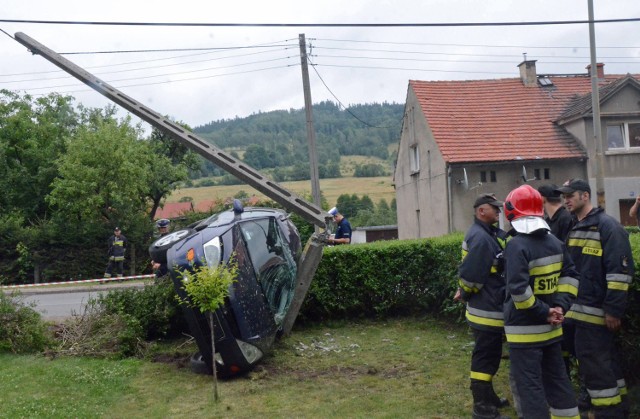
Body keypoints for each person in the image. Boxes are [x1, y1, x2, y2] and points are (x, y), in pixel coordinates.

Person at [556, 179, 635, 418]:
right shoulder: (574, 225)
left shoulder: (607, 227)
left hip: (597, 313)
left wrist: (613, 310)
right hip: (578, 313)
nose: (566, 200)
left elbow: (619, 274)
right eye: (564, 196)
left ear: (585, 196)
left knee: (596, 367)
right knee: (603, 362)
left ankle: (608, 412)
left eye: (570, 195)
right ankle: (618, 405)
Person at [502, 185, 580, 419]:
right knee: (558, 381)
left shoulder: (516, 245)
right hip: (552, 330)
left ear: (512, 213)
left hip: (524, 332)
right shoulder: (555, 242)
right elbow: (571, 276)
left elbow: (518, 291)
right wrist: (559, 306)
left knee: (530, 388)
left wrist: (544, 312)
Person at [454, 193, 509, 419]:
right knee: (485, 359)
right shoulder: (482, 238)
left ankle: (489, 398)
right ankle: (482, 407)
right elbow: (472, 274)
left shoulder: (486, 233)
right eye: (494, 208)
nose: (498, 211)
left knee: (491, 356)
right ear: (480, 211)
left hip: (487, 307)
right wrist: (465, 292)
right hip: (486, 310)